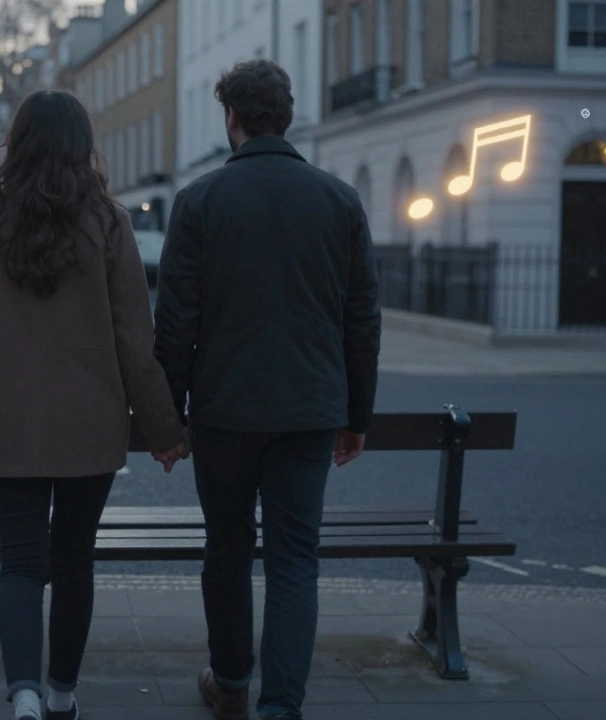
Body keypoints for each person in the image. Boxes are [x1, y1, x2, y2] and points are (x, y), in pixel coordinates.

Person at [0, 89, 189, 720]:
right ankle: (61, 693)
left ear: (16, 144)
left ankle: (22, 691)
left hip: (9, 422)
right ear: (83, 148)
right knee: (75, 561)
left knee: (21, 563)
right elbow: (136, 338)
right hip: (90, 423)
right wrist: (163, 427)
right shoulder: (109, 224)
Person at [152, 59, 381, 720]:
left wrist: (168, 417)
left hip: (224, 412)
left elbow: (175, 325)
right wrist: (356, 415)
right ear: (286, 117)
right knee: (292, 562)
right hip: (310, 410)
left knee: (226, 550)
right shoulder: (339, 201)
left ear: (232, 119)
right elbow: (361, 320)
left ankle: (230, 684)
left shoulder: (199, 202)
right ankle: (282, 706)